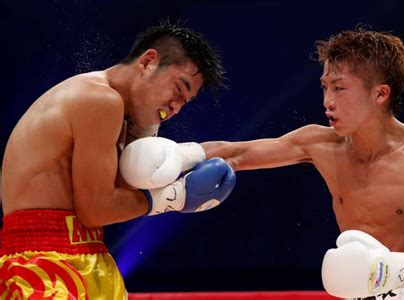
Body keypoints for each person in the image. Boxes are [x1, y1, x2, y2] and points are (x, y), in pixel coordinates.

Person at [202, 28, 404, 299]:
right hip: (357, 293)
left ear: (380, 94)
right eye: (325, 87)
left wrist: (392, 270)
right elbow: (234, 154)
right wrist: (171, 156)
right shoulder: (320, 144)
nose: (327, 101)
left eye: (339, 88)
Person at [0, 20, 235, 299]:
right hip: (43, 264)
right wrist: (174, 197)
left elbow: (115, 199)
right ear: (148, 61)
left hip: (93, 257)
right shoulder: (100, 99)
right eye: (178, 88)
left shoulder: (122, 118)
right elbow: (96, 209)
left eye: (185, 102)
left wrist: (295, 147)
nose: (176, 106)